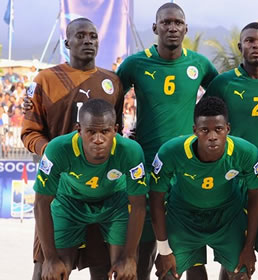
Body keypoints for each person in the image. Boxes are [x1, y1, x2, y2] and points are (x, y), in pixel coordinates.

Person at [116, 3, 220, 278]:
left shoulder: (199, 64)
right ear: (155, 27)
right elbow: (114, 98)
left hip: (188, 172)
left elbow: (220, 99)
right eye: (166, 23)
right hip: (149, 168)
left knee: (189, 255)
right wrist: (120, 135)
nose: (172, 27)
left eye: (177, 23)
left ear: (186, 28)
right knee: (146, 251)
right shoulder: (135, 64)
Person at [21, 18, 125, 280]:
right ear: (67, 42)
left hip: (100, 188)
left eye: (93, 36)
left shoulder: (112, 81)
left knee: (101, 267)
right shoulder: (45, 79)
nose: (88, 40)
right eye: (80, 36)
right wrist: (54, 154)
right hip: (59, 188)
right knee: (47, 265)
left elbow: (117, 131)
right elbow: (29, 131)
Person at [149, 96, 258, 280]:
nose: (212, 136)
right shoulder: (171, 152)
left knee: (242, 274)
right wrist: (163, 250)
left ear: (228, 128)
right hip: (184, 217)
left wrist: (248, 246)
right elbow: (155, 200)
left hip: (227, 216)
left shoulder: (246, 152)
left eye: (218, 129)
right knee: (168, 274)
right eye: (205, 130)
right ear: (195, 130)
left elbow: (257, 197)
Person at [33, 99, 147, 280]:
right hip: (69, 202)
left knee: (125, 271)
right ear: (79, 130)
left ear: (115, 130)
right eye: (91, 132)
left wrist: (130, 257)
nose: (98, 139)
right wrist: (50, 258)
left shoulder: (131, 151)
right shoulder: (58, 149)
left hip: (114, 204)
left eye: (105, 132)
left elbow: (139, 204)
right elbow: (41, 202)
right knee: (54, 272)